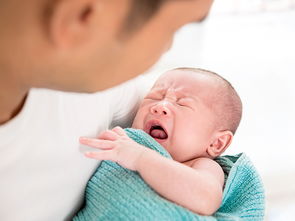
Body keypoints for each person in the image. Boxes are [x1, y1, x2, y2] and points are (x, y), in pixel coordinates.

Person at [0, 0, 214, 220]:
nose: (167, 48)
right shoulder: (93, 76)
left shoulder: (104, 83)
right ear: (83, 16)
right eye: (173, 30)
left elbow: (202, 129)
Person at [79, 67, 243, 216]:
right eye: (154, 97)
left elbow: (205, 199)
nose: (160, 106)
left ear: (217, 143)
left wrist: (140, 157)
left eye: (182, 104)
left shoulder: (201, 166)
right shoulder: (124, 144)